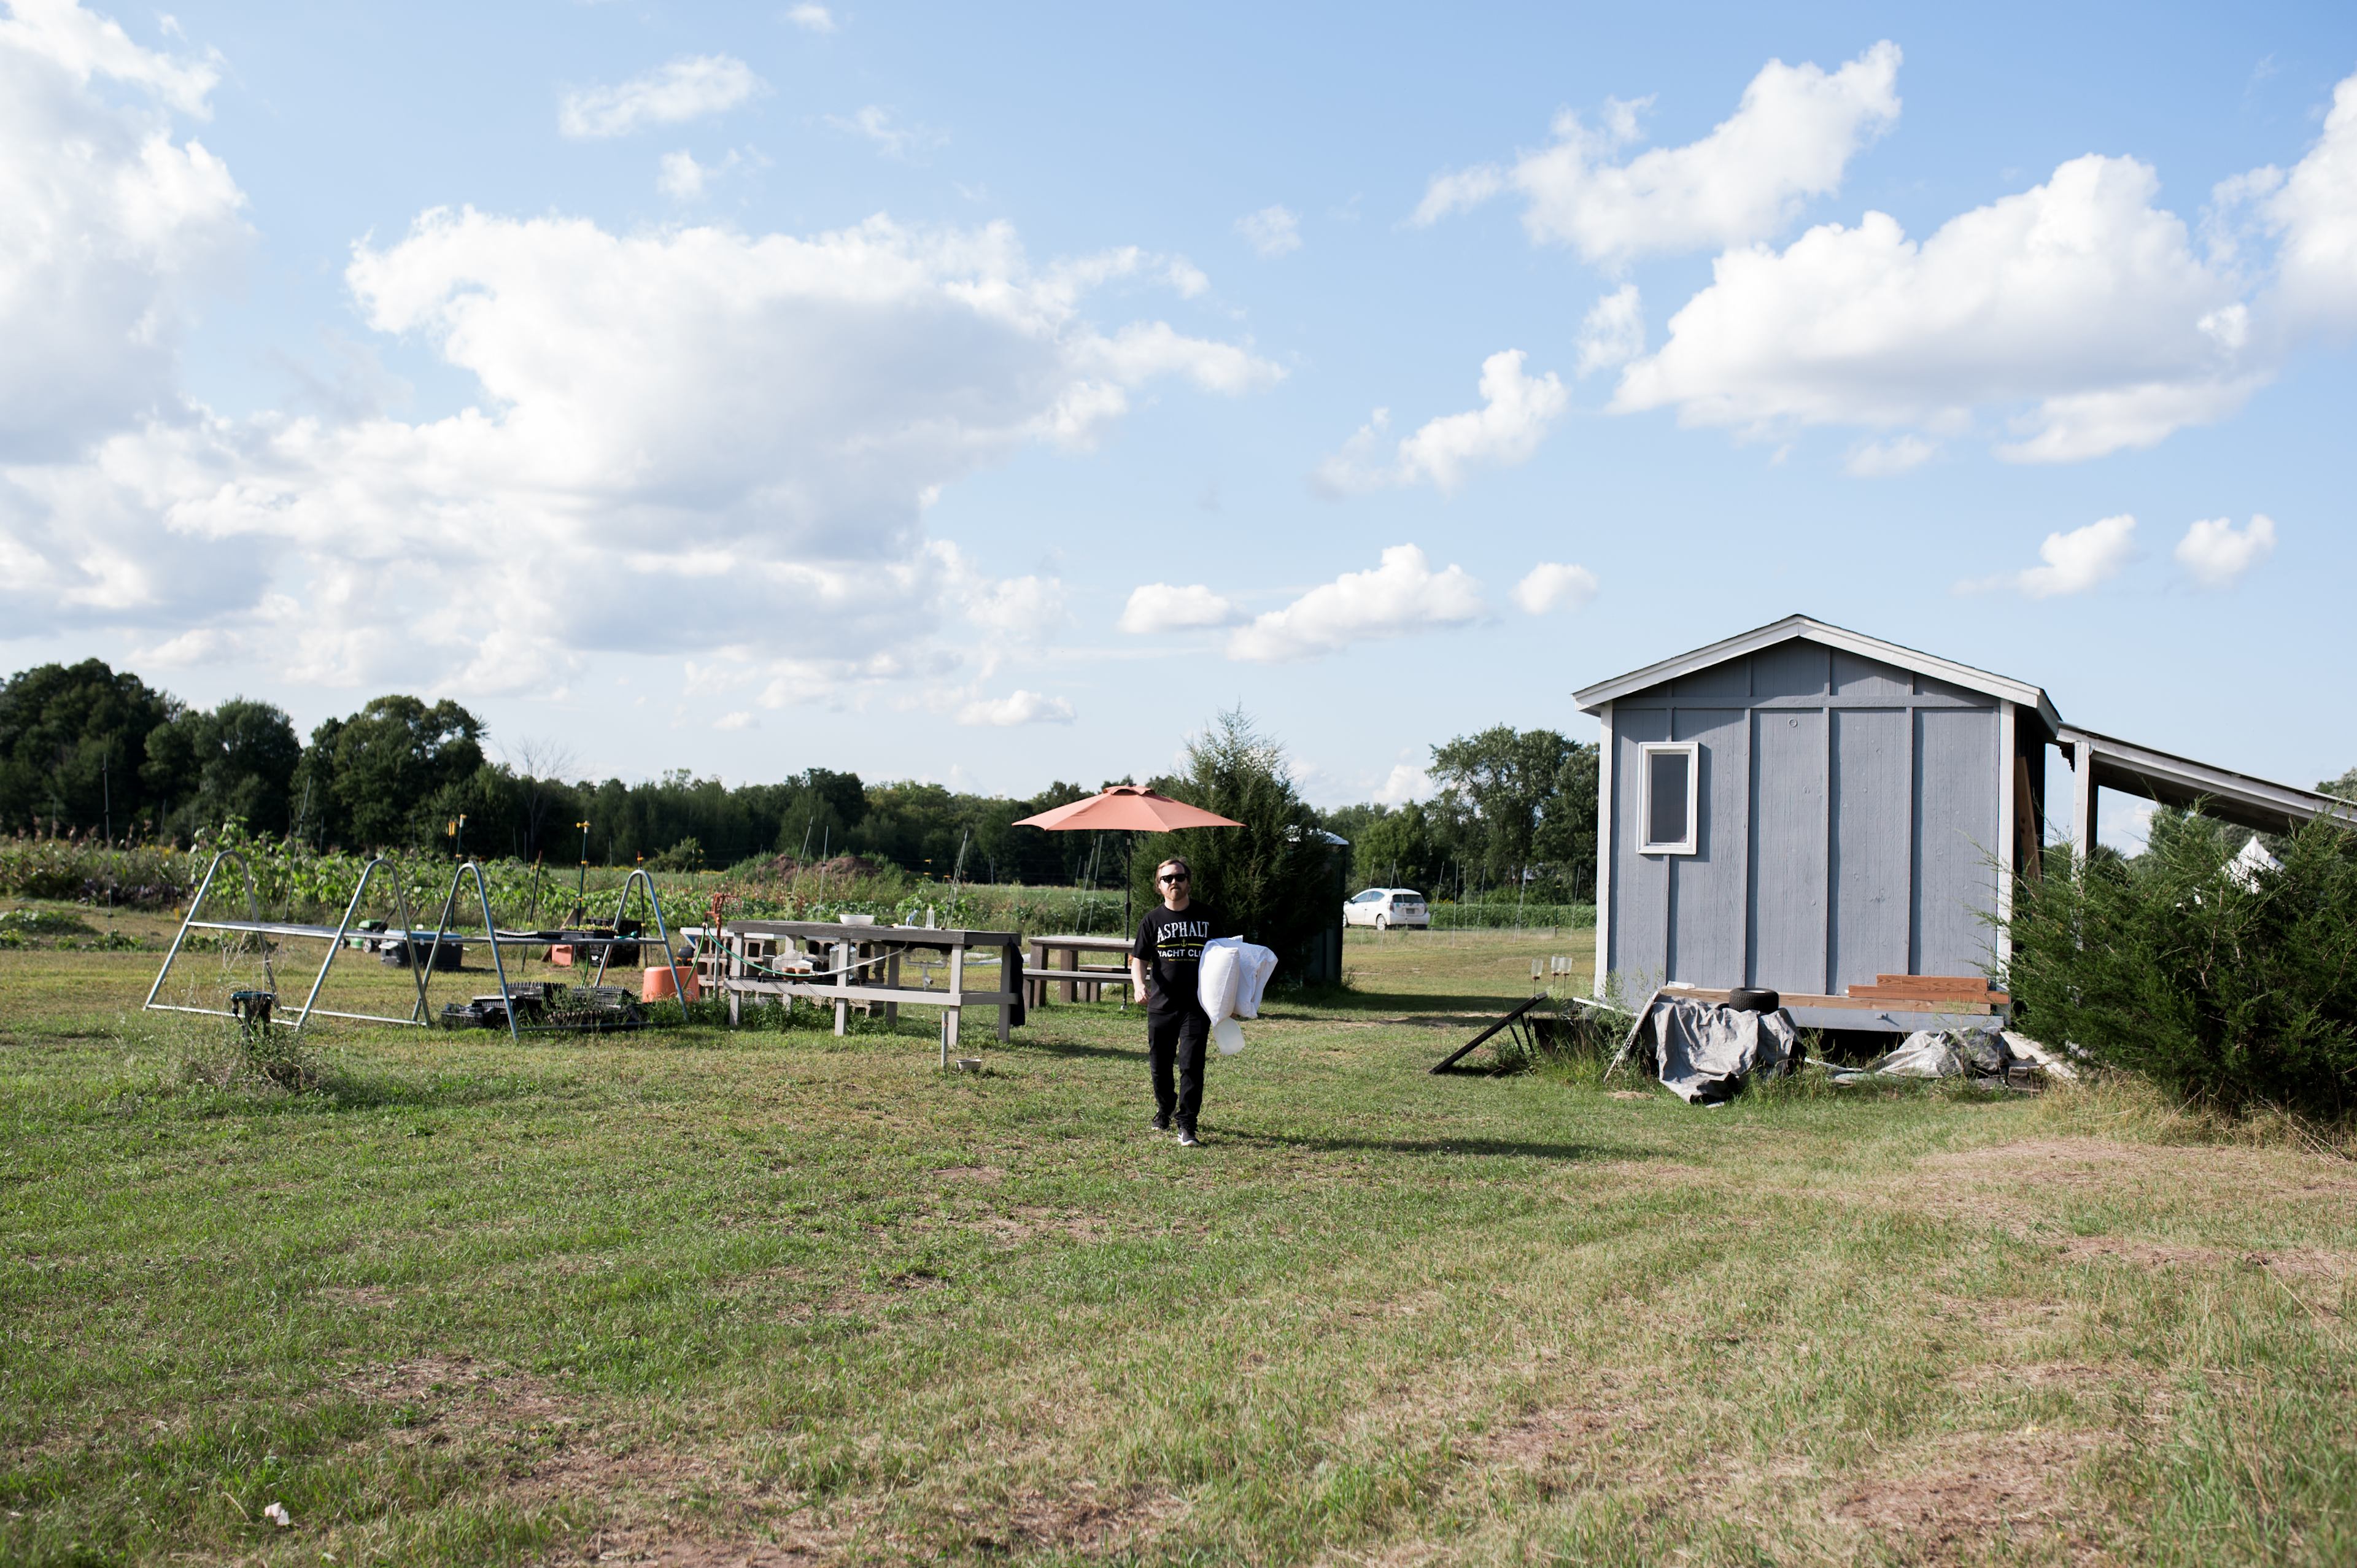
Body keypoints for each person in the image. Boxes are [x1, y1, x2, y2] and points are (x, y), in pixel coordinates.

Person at [1129, 854, 1230, 1147]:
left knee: (1192, 1065)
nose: (1174, 882)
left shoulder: (1209, 916)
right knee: (1160, 1066)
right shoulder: (1152, 920)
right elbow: (1139, 959)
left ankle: (1187, 1124)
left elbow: (1227, 959)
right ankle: (1165, 1109)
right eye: (1167, 879)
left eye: (1179, 877)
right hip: (1161, 1005)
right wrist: (1139, 986)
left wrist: (1231, 1001)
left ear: (1189, 882)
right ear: (1158, 886)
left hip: (1197, 1006)